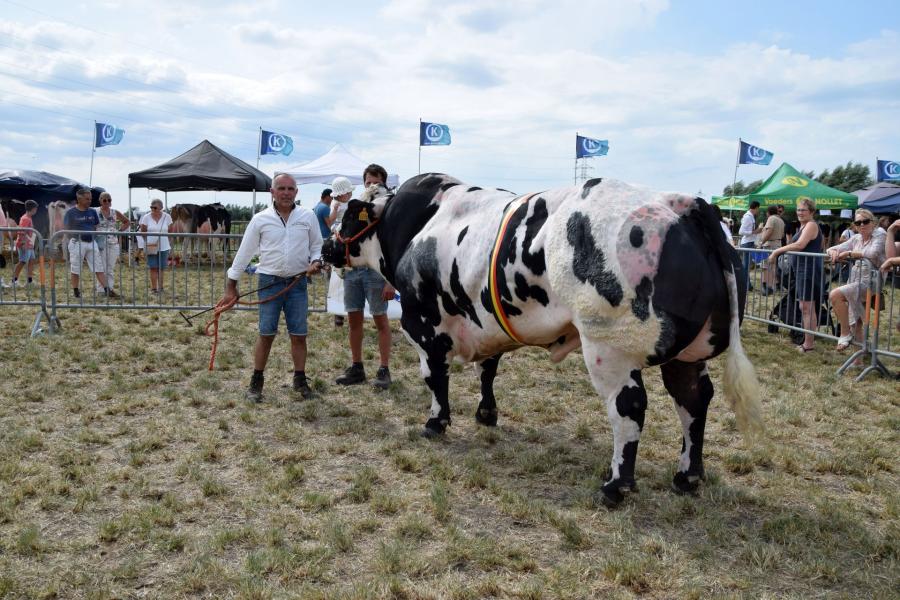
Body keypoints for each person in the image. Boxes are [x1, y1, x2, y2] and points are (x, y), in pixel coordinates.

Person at [217, 174, 324, 402]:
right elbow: (244, 252)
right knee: (266, 333)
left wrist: (316, 261)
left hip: (297, 283)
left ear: (296, 192)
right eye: (281, 188)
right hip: (269, 282)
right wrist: (231, 285)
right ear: (272, 192)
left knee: (299, 334)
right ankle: (256, 382)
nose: (286, 192)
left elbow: (317, 246)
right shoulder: (260, 219)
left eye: (290, 188)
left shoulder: (308, 216)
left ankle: (300, 379)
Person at [334, 165, 395, 389]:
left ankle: (384, 369)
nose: (372, 186)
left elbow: (392, 246)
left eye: (376, 182)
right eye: (368, 182)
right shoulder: (358, 206)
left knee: (380, 319)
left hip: (376, 271)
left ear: (384, 183)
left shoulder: (388, 208)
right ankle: (357, 366)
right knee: (354, 320)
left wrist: (390, 280)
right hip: (353, 270)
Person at [768, 197, 823, 352]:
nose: (800, 212)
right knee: (804, 306)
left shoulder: (811, 225)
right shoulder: (803, 226)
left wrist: (777, 251)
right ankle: (808, 341)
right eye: (798, 210)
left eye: (803, 210)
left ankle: (809, 344)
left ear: (811, 211)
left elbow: (800, 245)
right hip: (802, 270)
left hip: (808, 270)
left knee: (807, 307)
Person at [826, 209, 886, 351]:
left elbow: (873, 253)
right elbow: (832, 248)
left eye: (865, 221)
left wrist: (849, 253)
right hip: (855, 279)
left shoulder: (880, 233)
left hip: (871, 281)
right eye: (858, 222)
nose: (862, 225)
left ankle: (845, 334)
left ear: (873, 222)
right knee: (857, 320)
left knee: (835, 295)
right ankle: (859, 359)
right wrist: (833, 252)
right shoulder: (856, 237)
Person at [65, 188, 115, 298]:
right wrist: (74, 239)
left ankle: (107, 290)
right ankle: (76, 291)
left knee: (99, 266)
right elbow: (66, 229)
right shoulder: (71, 213)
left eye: (90, 199)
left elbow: (96, 226)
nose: (90, 201)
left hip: (92, 242)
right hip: (77, 242)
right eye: (87, 199)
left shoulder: (92, 211)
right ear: (79, 199)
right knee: (76, 268)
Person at [93, 192, 130, 295]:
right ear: (100, 201)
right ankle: (101, 289)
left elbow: (127, 221)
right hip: (100, 243)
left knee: (110, 267)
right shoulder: (94, 212)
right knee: (102, 267)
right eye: (104, 200)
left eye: (109, 200)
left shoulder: (115, 212)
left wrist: (120, 231)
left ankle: (109, 288)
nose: (107, 202)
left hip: (113, 243)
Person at [139, 199, 174, 295]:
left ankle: (161, 287)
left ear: (161, 208)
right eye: (151, 207)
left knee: (161, 268)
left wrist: (169, 242)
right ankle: (154, 288)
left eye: (155, 207)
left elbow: (171, 230)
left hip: (164, 246)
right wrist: (149, 241)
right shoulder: (146, 217)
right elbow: (143, 231)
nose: (152, 209)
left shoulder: (167, 217)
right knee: (153, 267)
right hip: (151, 246)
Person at [758, 205, 785, 296]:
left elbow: (769, 231)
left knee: (765, 266)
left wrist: (761, 242)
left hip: (769, 245)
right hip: (777, 244)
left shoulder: (771, 219)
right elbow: (782, 235)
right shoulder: (781, 220)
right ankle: (773, 286)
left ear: (768, 212)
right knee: (773, 267)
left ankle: (766, 287)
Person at [11, 199, 38, 288]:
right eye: (35, 208)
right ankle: (13, 281)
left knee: (31, 261)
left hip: (29, 245)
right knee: (22, 262)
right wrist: (23, 243)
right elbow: (21, 231)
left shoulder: (29, 218)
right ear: (33, 209)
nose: (36, 210)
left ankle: (29, 281)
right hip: (24, 245)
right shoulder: (25, 218)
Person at [738, 201, 762, 291]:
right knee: (746, 266)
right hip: (747, 243)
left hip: (749, 242)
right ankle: (746, 285)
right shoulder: (748, 217)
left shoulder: (750, 216)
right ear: (756, 208)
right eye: (758, 209)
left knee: (747, 266)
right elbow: (741, 232)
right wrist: (754, 232)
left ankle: (747, 285)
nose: (758, 211)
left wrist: (755, 231)